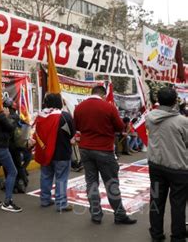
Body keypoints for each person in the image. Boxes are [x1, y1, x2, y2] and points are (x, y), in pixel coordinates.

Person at [74, 85, 137, 225]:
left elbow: (77, 126)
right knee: (111, 183)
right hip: (104, 149)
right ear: (103, 95)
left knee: (91, 182)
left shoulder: (79, 107)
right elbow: (120, 127)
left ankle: (96, 214)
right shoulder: (108, 107)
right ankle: (119, 215)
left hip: (85, 148)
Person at [146, 87, 188, 242]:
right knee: (178, 204)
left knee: (156, 199)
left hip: (156, 165)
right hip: (178, 167)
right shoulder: (182, 121)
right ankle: (177, 237)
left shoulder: (150, 117)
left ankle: (156, 234)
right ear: (174, 101)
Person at [34, 93, 75, 212]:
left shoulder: (40, 116)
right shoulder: (64, 116)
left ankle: (45, 199)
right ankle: (61, 203)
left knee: (46, 176)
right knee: (61, 178)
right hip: (62, 153)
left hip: (45, 152)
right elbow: (72, 135)